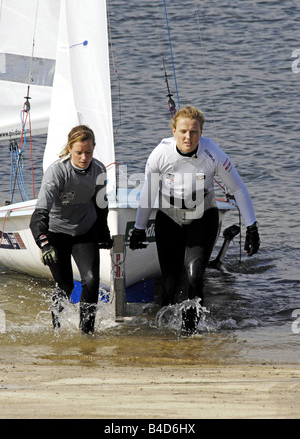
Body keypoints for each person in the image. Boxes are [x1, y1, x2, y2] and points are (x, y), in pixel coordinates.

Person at [129, 105, 260, 333]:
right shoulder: (160, 154)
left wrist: (252, 227)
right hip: (169, 218)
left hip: (202, 217)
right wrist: (139, 228)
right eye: (183, 131)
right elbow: (148, 194)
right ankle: (164, 335)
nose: (188, 137)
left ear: (201, 132)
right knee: (169, 284)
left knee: (194, 276)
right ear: (174, 131)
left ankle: (190, 335)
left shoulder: (213, 154)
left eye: (194, 132)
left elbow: (238, 189)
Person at [30, 125, 113, 334]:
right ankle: (56, 330)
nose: (84, 157)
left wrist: (103, 233)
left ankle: (87, 333)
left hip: (84, 232)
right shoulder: (57, 172)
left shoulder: (99, 170)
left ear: (93, 149)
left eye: (88, 152)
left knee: (92, 281)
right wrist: (44, 243)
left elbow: (101, 205)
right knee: (66, 286)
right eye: (79, 152)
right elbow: (38, 215)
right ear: (70, 149)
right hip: (56, 234)